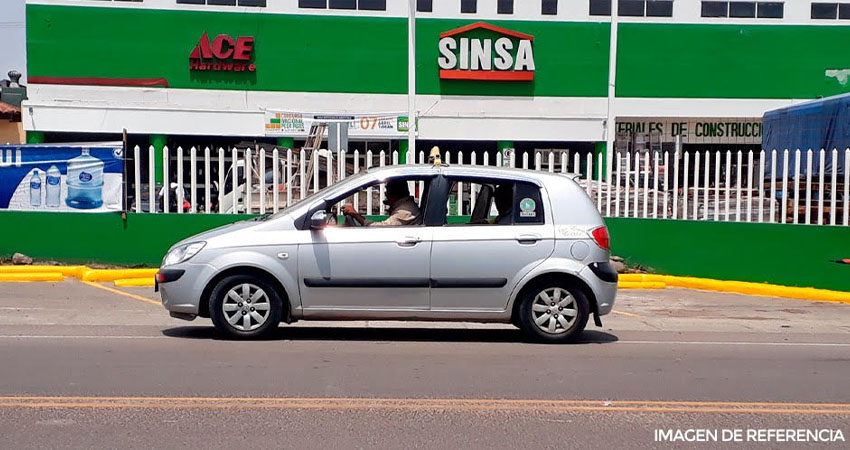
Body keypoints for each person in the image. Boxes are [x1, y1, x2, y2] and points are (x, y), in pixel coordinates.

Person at [342, 179, 421, 227]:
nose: (385, 194)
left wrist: (355, 214)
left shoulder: (405, 210)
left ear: (393, 193)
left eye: (387, 191)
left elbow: (380, 229)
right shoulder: (404, 206)